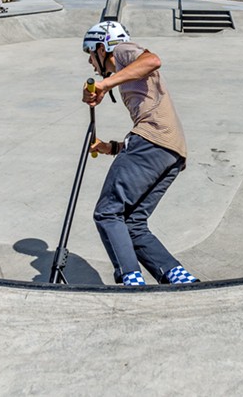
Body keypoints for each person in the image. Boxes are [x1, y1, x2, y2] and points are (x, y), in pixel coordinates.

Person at [81, 21, 198, 287]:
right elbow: (150, 140)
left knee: (108, 213)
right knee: (133, 223)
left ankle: (131, 280)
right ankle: (178, 277)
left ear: (102, 48)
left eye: (90, 53)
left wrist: (105, 84)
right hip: (171, 152)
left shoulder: (122, 51)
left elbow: (153, 60)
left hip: (151, 142)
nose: (90, 62)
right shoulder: (128, 76)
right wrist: (109, 147)